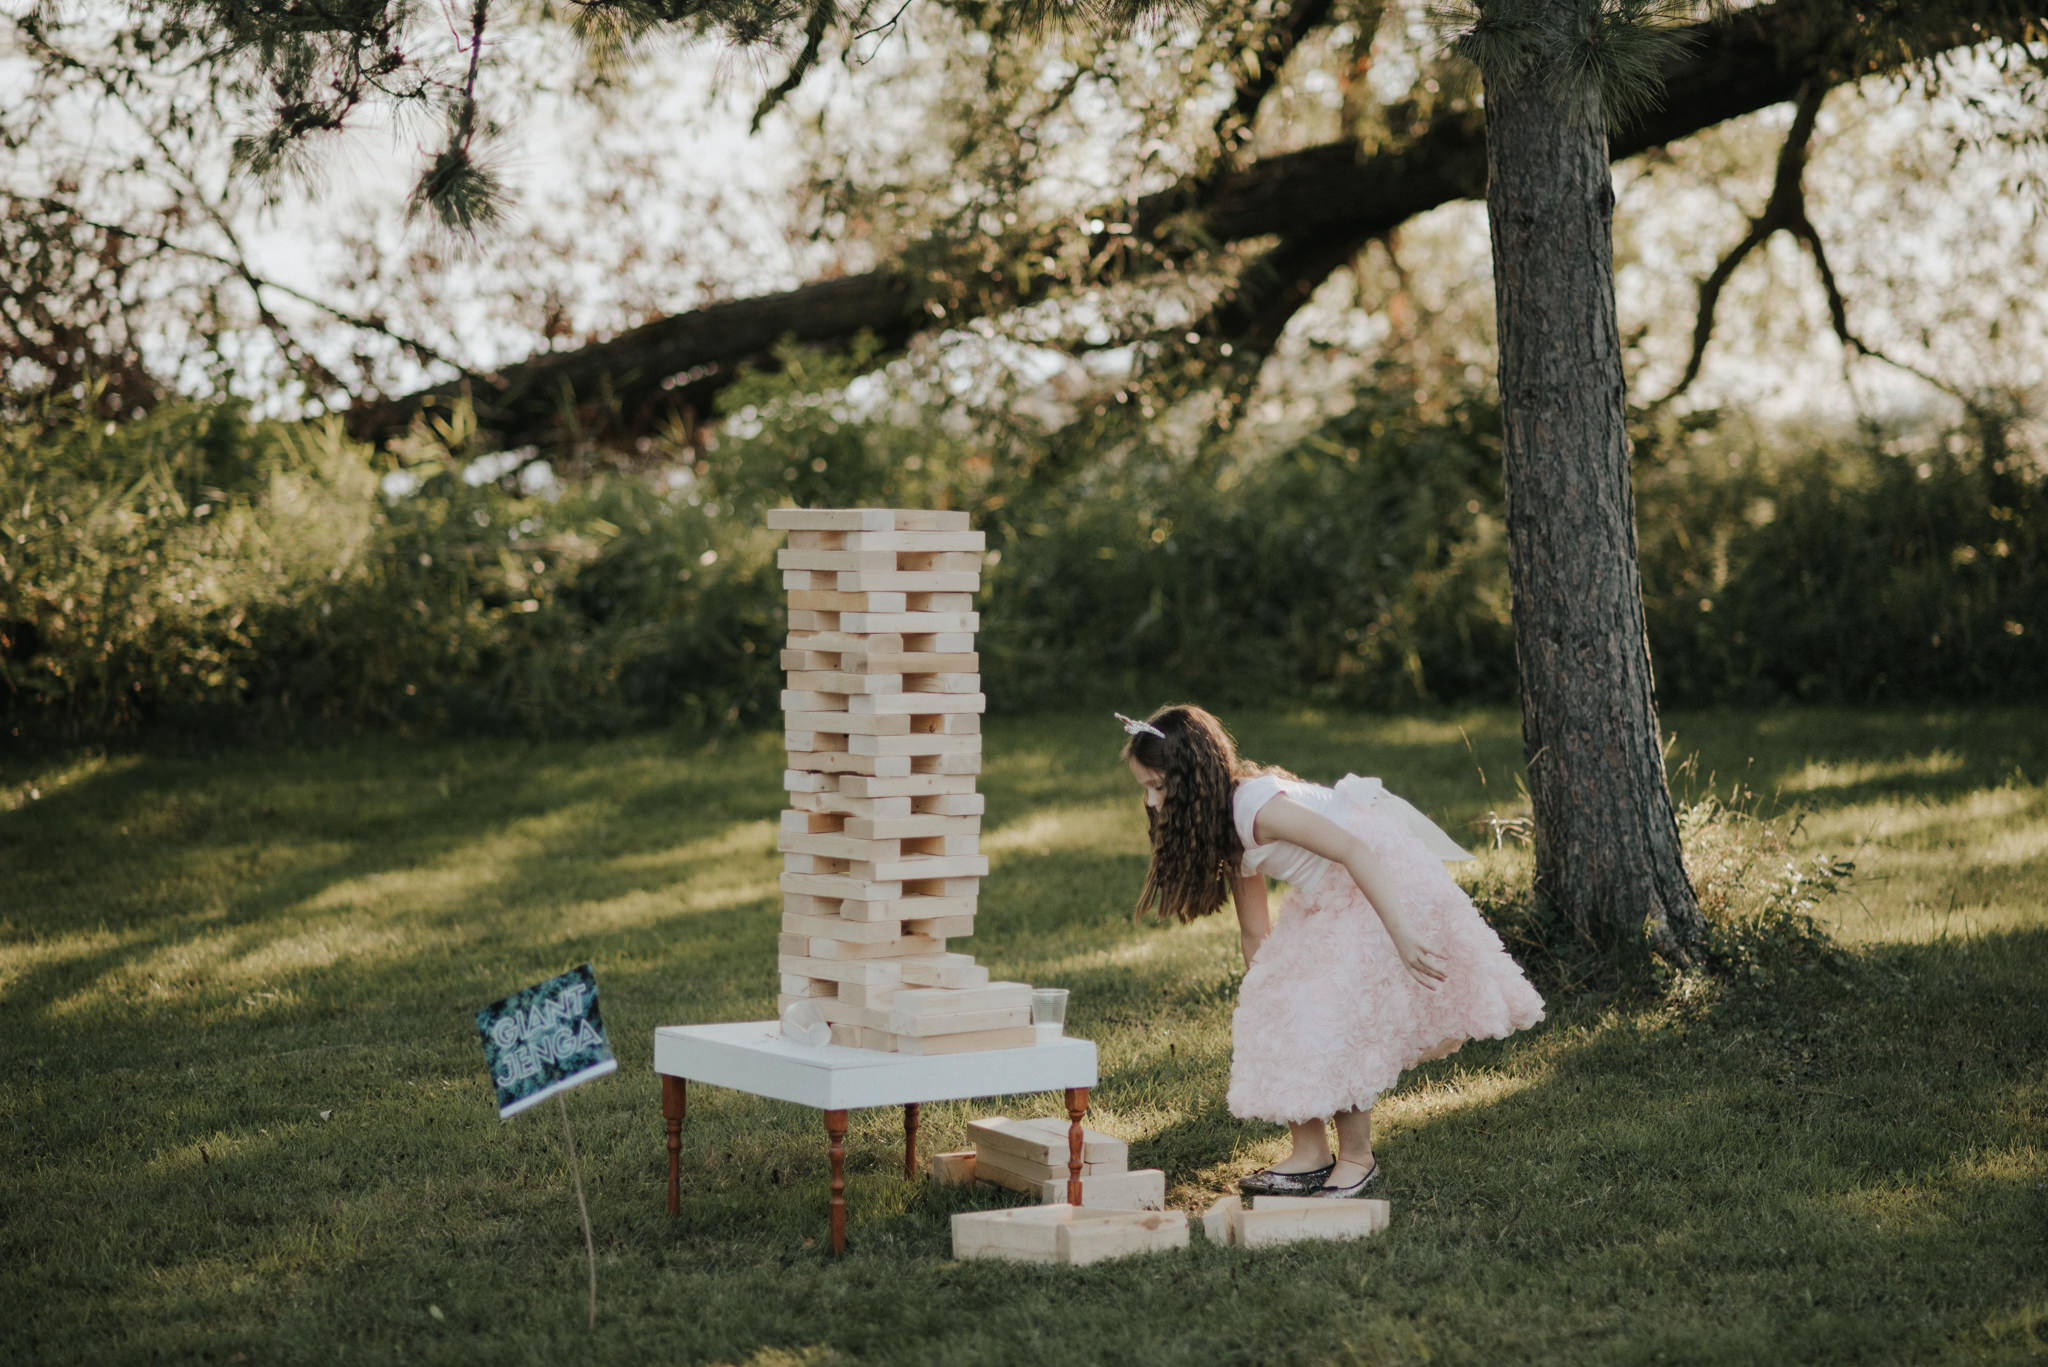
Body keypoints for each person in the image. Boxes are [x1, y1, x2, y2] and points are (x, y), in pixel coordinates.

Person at [1117, 704, 1545, 1198]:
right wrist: (1269, 994)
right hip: (1333, 894)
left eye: (1158, 787)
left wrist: (1402, 933)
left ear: (1194, 779)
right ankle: (1310, 1155)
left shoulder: (1256, 806)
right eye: (1146, 788)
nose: (1151, 802)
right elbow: (1255, 931)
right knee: (1291, 1006)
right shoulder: (1223, 825)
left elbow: (1356, 850)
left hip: (1382, 883)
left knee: (1333, 1013)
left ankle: (1358, 1157)